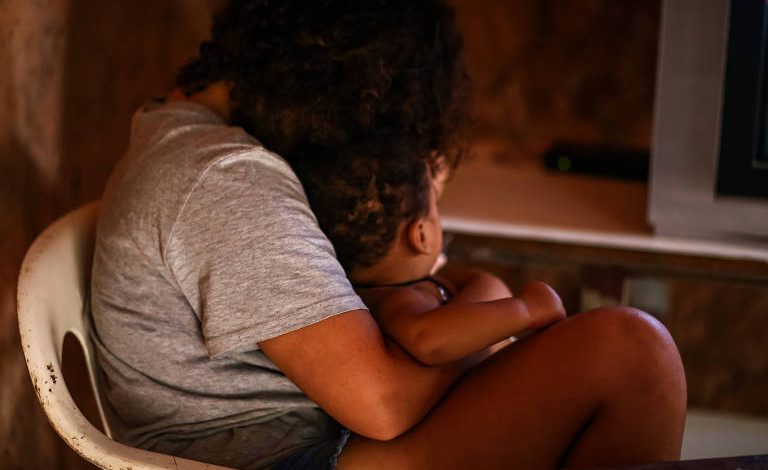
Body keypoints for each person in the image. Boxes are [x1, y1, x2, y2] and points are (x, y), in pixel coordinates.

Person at [90, 1, 687, 469]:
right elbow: (383, 405)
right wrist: (481, 312)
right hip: (281, 458)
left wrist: (470, 313)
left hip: (317, 436)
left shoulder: (191, 137)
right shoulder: (223, 177)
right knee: (631, 354)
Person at [294, 142, 566, 366]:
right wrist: (526, 309)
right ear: (421, 236)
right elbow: (428, 341)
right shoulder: (398, 299)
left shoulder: (381, 289)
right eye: (437, 207)